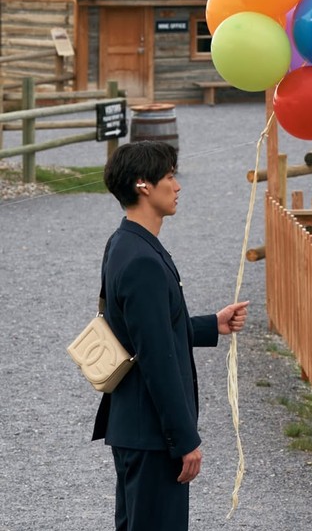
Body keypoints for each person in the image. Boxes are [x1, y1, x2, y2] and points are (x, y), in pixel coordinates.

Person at [92, 140, 249, 531]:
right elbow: (156, 356)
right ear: (144, 185)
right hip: (151, 435)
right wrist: (184, 439)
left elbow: (148, 328)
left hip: (136, 428)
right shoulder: (142, 258)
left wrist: (211, 324)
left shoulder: (124, 242)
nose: (177, 186)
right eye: (169, 177)